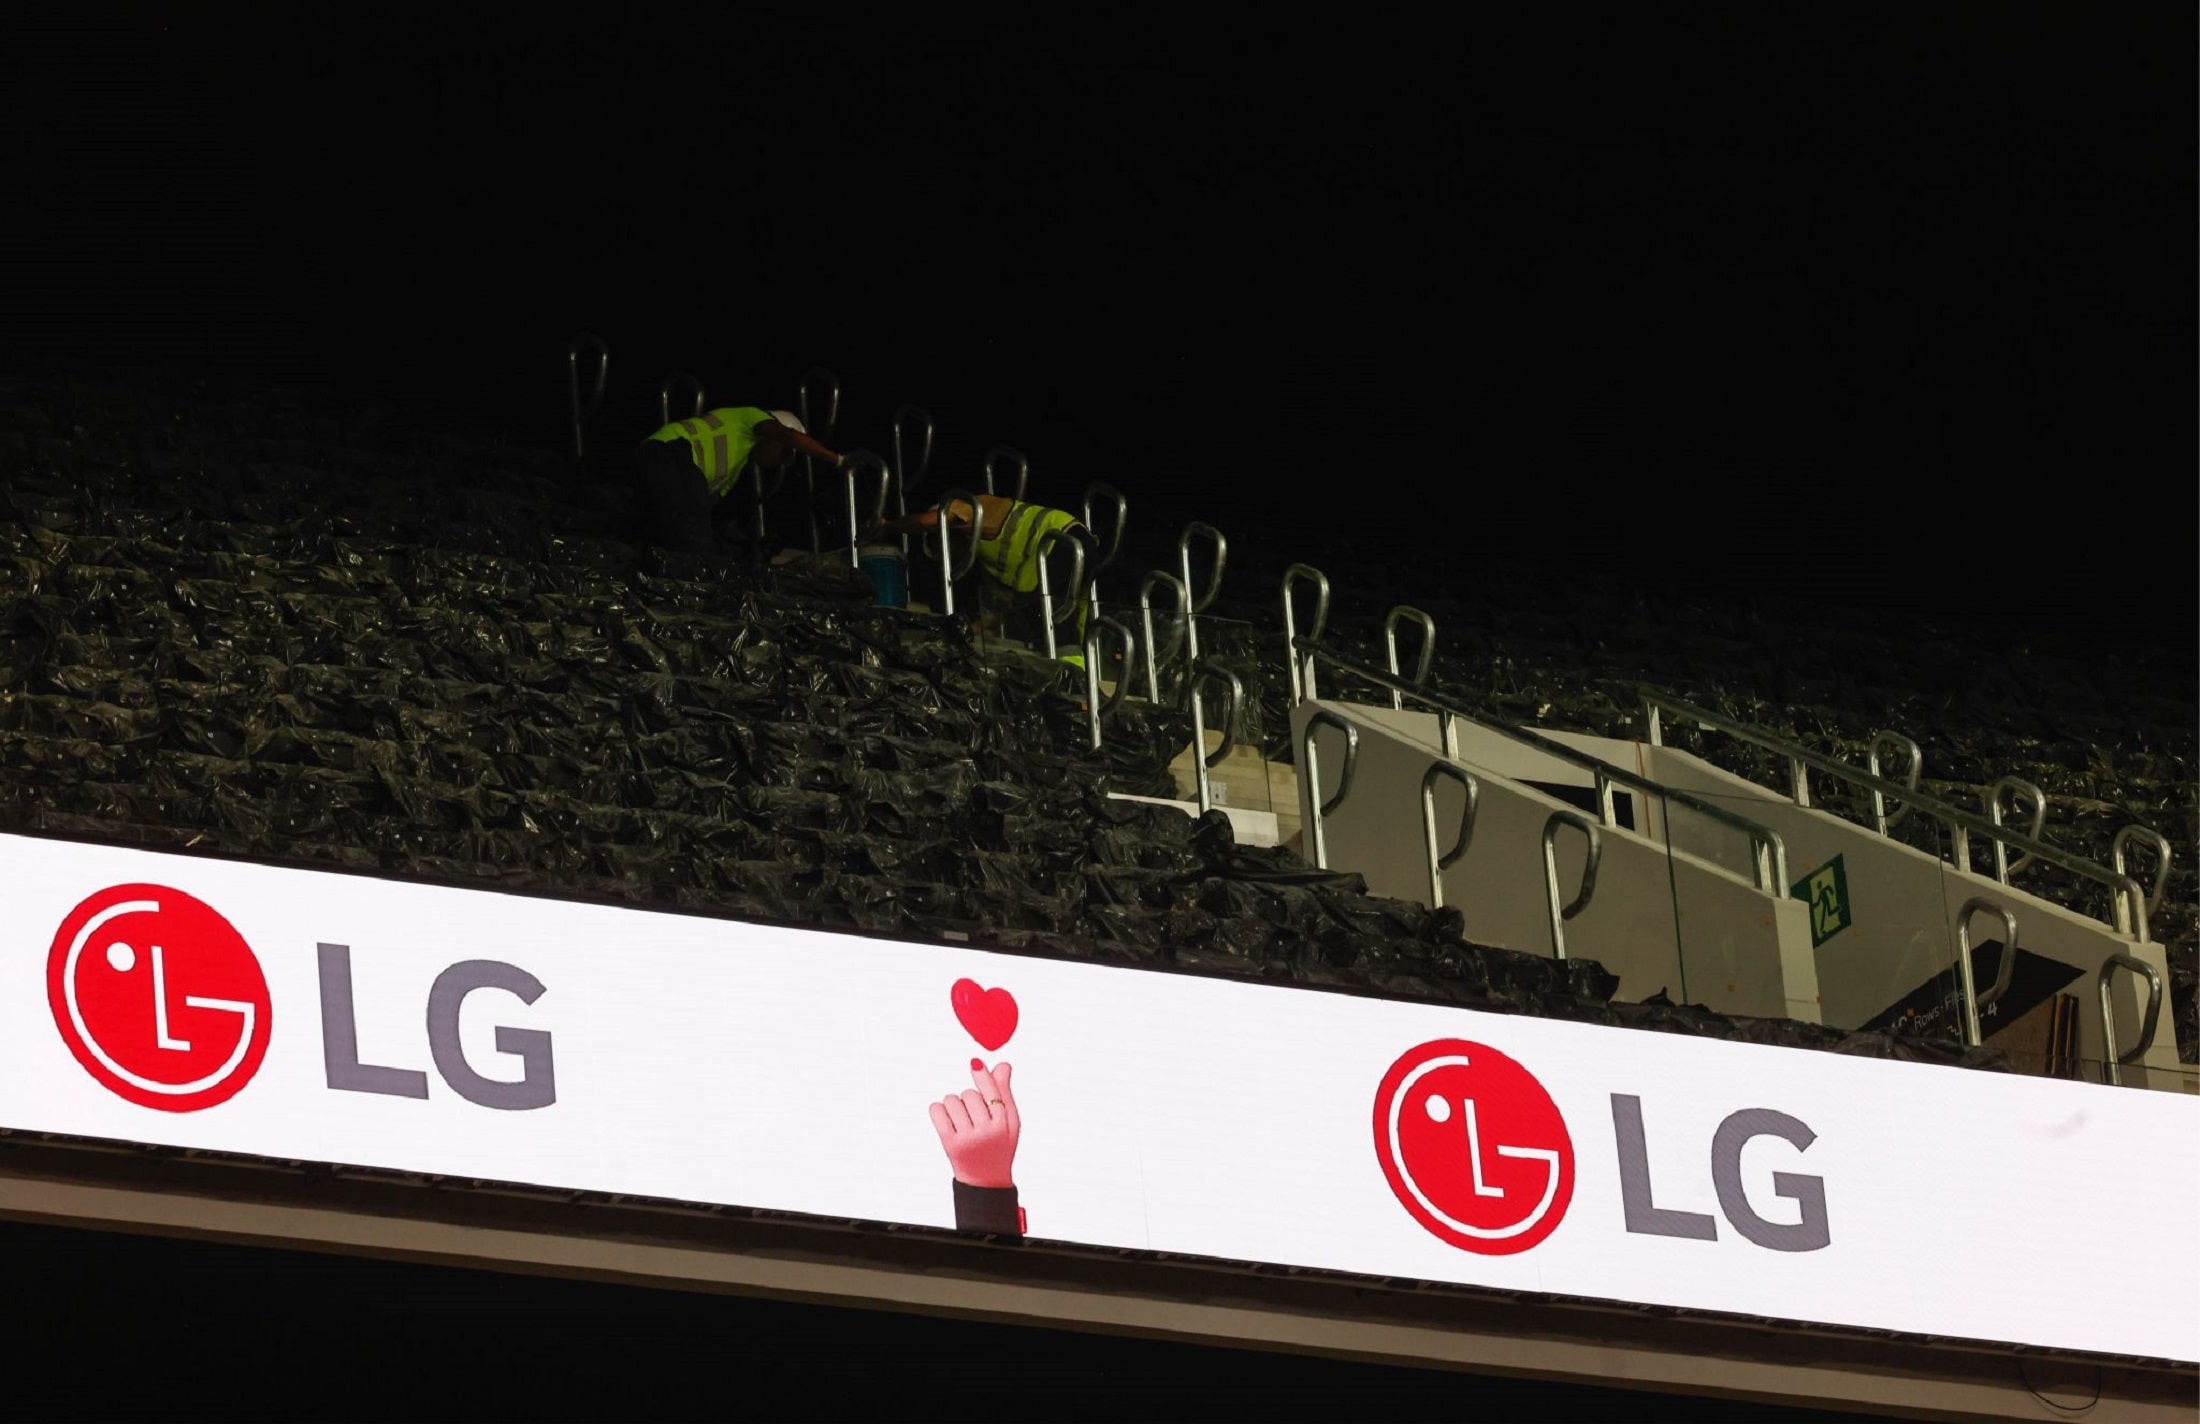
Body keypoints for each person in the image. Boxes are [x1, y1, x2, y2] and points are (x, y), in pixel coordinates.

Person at [866, 492, 1093, 665]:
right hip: (1071, 548)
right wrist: (967, 630)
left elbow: (927, 521)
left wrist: (890, 526)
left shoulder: (968, 507)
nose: (953, 556)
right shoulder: (988, 556)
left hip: (1060, 539)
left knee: (1055, 622)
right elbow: (999, 609)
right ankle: (1071, 674)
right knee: (1053, 620)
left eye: (946, 548)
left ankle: (1069, 679)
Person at [636, 406, 845, 558]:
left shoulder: (736, 466)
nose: (779, 463)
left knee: (671, 540)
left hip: (652, 462)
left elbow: (699, 511)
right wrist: (838, 460)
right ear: (774, 437)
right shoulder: (752, 416)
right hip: (671, 452)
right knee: (695, 554)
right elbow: (789, 436)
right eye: (783, 454)